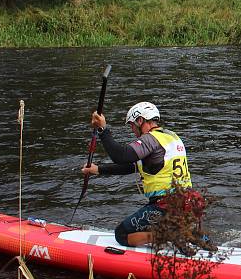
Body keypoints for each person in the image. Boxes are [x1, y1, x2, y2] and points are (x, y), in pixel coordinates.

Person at [81, 101, 202, 248]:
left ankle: (171, 235)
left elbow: (121, 156)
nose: (132, 130)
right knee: (147, 226)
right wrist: (98, 169)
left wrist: (102, 129)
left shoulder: (150, 139)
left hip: (166, 206)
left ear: (140, 120)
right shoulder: (171, 137)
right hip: (188, 203)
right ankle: (192, 234)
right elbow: (131, 166)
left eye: (132, 125)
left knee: (121, 234)